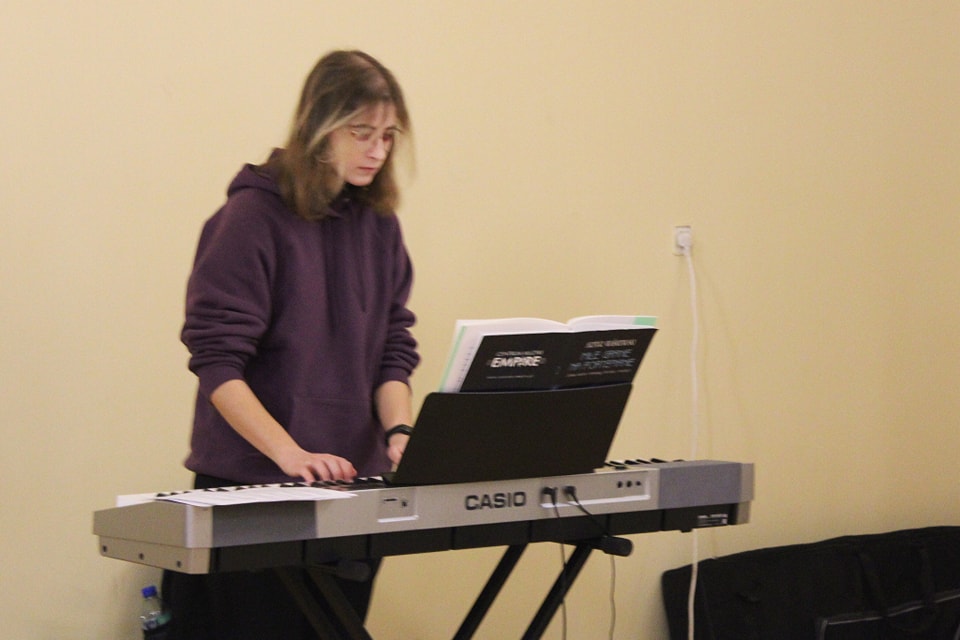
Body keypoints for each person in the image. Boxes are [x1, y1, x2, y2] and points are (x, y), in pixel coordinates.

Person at [162, 49, 420, 639]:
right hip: (253, 488)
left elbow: (392, 348)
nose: (377, 151)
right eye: (361, 133)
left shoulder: (379, 226)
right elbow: (218, 363)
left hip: (351, 489)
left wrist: (400, 433)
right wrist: (290, 455)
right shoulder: (251, 217)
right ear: (320, 127)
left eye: (388, 136)